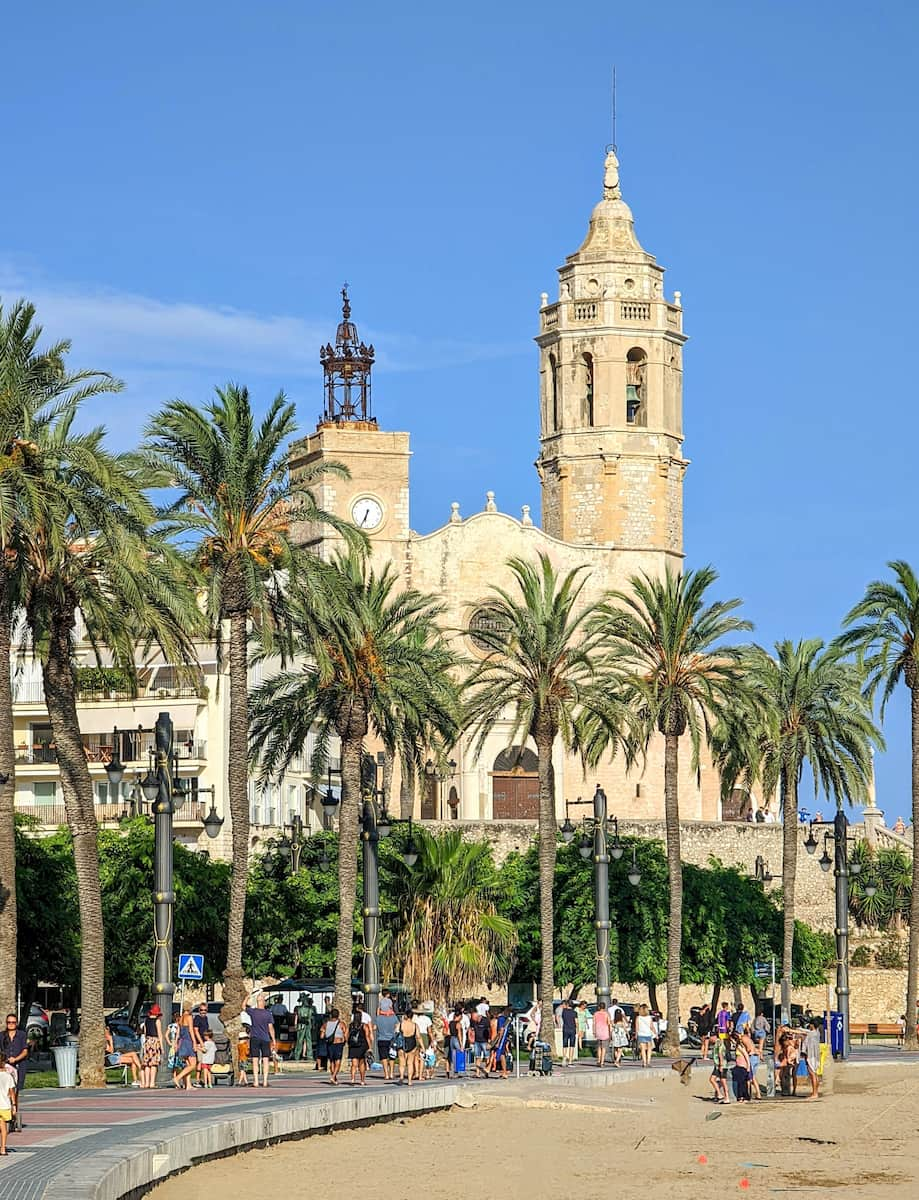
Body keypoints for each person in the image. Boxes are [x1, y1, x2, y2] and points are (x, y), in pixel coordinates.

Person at [244, 993, 276, 1088]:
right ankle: (265, 1081)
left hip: (254, 1038)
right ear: (264, 1002)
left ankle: (256, 1081)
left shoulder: (253, 1012)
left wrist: (247, 997)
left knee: (255, 1060)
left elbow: (243, 1006)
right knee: (265, 1059)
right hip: (265, 1038)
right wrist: (273, 1039)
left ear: (257, 1002)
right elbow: (271, 1028)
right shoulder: (268, 1013)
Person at [0, 1014, 28, 1106]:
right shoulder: (2, 1035)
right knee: (5, 1089)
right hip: (5, 1066)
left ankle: (14, 1111)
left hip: (19, 1065)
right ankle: (6, 1111)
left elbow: (25, 1051)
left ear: (16, 1023)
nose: (11, 1024)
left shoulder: (22, 1035)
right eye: (9, 1022)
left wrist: (16, 1059)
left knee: (16, 1090)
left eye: (13, 1022)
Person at [172, 1003, 198, 1090]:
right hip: (188, 1041)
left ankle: (188, 1085)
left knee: (188, 1065)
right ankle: (177, 1078)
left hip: (182, 1042)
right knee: (193, 1065)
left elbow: (178, 1033)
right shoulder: (189, 1017)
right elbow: (191, 1030)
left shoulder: (181, 1018)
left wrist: (176, 1043)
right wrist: (194, 1042)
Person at [140, 1004, 164, 1089]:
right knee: (153, 1064)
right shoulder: (157, 1021)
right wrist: (162, 1047)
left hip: (147, 1041)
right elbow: (160, 1034)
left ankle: (146, 1083)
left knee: (147, 1063)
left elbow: (145, 1032)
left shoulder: (146, 1020)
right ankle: (152, 1083)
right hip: (155, 1042)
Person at [376, 998, 399, 1082]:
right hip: (392, 1039)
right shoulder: (394, 1017)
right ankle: (391, 1073)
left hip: (381, 1039)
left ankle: (386, 1074)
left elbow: (375, 1027)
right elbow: (397, 1027)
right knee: (392, 1057)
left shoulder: (378, 1018)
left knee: (384, 1057)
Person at [321, 1007, 346, 1085]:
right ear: (338, 1015)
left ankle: (334, 1078)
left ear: (331, 1015)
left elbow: (321, 1036)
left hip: (330, 1044)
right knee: (338, 1061)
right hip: (338, 1044)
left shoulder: (325, 1024)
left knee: (331, 1061)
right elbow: (345, 1034)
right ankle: (333, 1076)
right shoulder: (341, 1024)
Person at [347, 1007, 370, 1086]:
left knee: (354, 1064)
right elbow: (367, 1036)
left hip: (353, 1046)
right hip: (362, 1045)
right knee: (361, 1064)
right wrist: (369, 1047)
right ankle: (362, 1080)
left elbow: (347, 1035)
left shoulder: (350, 1026)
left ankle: (352, 1079)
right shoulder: (364, 1026)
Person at [397, 1008, 419, 1085]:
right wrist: (422, 1046)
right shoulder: (415, 1025)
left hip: (402, 1043)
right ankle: (409, 1081)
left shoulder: (400, 1024)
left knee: (402, 1062)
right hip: (411, 1043)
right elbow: (418, 1036)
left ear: (405, 1015)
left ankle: (401, 1076)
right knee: (410, 1063)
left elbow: (396, 1032)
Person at [801, 1020, 822, 1100]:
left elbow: (806, 1033)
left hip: (811, 1056)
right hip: (815, 1056)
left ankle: (814, 1093)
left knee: (812, 1074)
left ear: (812, 1025)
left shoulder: (811, 1034)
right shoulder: (817, 1033)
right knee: (815, 1074)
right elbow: (805, 1031)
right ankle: (815, 1092)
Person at [294, 993, 315, 1062]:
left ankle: (298, 1055)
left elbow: (297, 1017)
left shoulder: (300, 1009)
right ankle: (308, 1055)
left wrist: (295, 1024)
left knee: (301, 1040)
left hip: (303, 1025)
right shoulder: (309, 1009)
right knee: (305, 1040)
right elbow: (312, 1018)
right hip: (305, 1025)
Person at [731, 1033, 751, 1102]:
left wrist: (748, 1066)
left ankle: (743, 1096)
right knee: (740, 1083)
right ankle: (742, 1096)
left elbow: (746, 1056)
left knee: (742, 1083)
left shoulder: (740, 1046)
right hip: (739, 1066)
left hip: (743, 1066)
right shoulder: (737, 1046)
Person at [709, 1032, 729, 1103]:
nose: (709, 1040)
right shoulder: (716, 1043)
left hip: (721, 1065)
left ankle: (726, 1097)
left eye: (710, 1038)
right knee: (713, 1079)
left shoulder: (719, 1043)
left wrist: (721, 1065)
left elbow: (720, 1054)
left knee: (723, 1081)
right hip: (717, 1065)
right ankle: (718, 1094)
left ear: (714, 1037)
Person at [557, 1000, 578, 1066]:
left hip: (565, 1029)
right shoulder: (574, 1013)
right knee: (572, 1045)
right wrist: (577, 1029)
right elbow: (576, 1022)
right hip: (572, 1029)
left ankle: (564, 1059)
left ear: (567, 1005)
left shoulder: (564, 1012)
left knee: (565, 1044)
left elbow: (558, 1015)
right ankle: (570, 1061)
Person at [0, 1053, 13, 1155]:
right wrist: (14, 1106)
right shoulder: (8, 1076)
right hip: (4, 1106)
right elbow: (12, 1093)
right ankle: (3, 1148)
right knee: (3, 1128)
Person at [472, 1010, 491, 1077]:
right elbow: (471, 1029)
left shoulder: (485, 1021)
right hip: (477, 1041)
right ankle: (477, 1073)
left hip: (484, 1041)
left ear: (478, 1016)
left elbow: (489, 1030)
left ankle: (486, 1071)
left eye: (474, 1018)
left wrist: (489, 1040)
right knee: (477, 1057)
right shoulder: (474, 1022)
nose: (474, 1020)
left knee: (487, 1057)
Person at [593, 1001, 611, 1068]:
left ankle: (598, 1060)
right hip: (605, 1032)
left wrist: (594, 1031)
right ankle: (602, 1062)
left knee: (599, 1047)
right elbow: (609, 1023)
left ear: (599, 1007)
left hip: (598, 1031)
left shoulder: (595, 1014)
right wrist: (610, 1032)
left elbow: (594, 1023)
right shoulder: (606, 1014)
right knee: (604, 1048)